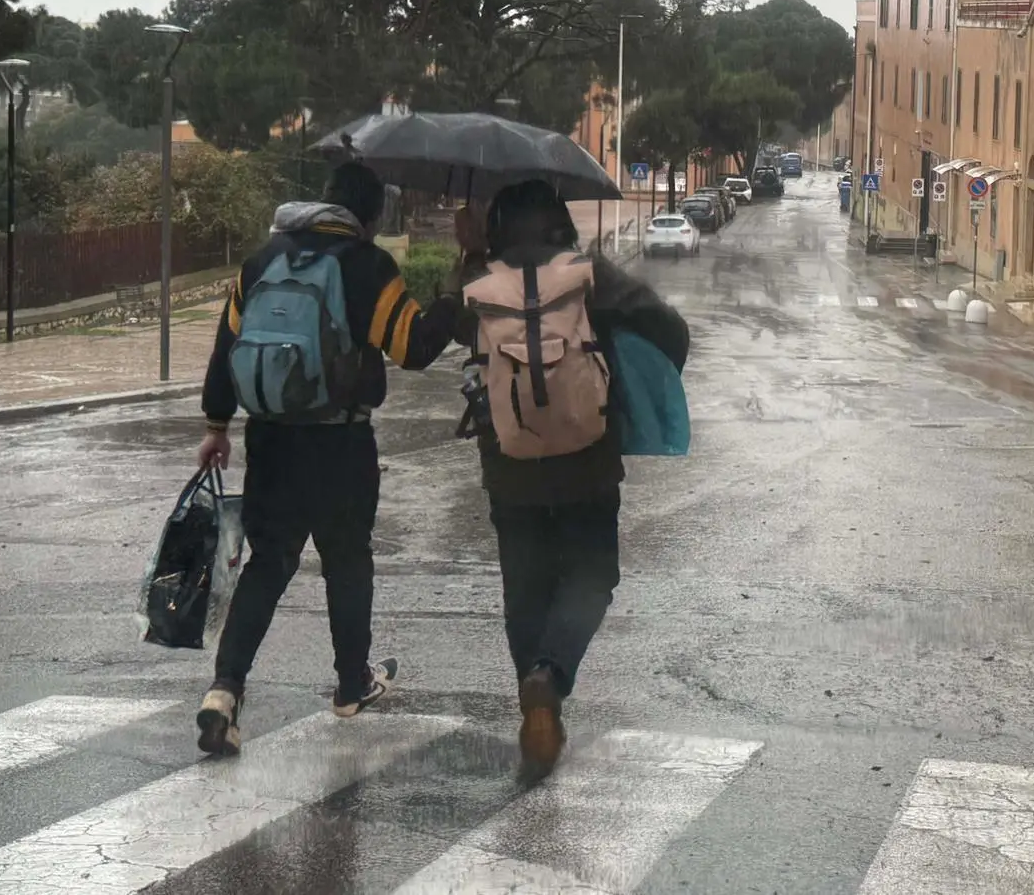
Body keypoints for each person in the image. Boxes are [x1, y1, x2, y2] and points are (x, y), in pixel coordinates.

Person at [191, 161, 457, 757]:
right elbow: (413, 348)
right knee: (346, 560)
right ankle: (349, 684)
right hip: (340, 440)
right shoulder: (367, 265)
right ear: (370, 215)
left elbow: (226, 346)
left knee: (269, 563)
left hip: (271, 438)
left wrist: (216, 426)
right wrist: (451, 303)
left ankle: (224, 691)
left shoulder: (264, 258)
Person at [449, 179, 688, 778]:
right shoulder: (589, 277)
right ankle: (549, 677)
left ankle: (535, 695)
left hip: (510, 470)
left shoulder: (478, 285)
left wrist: (469, 256)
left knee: (523, 588)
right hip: (588, 463)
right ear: (559, 221)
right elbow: (671, 331)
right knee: (592, 576)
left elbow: (430, 337)